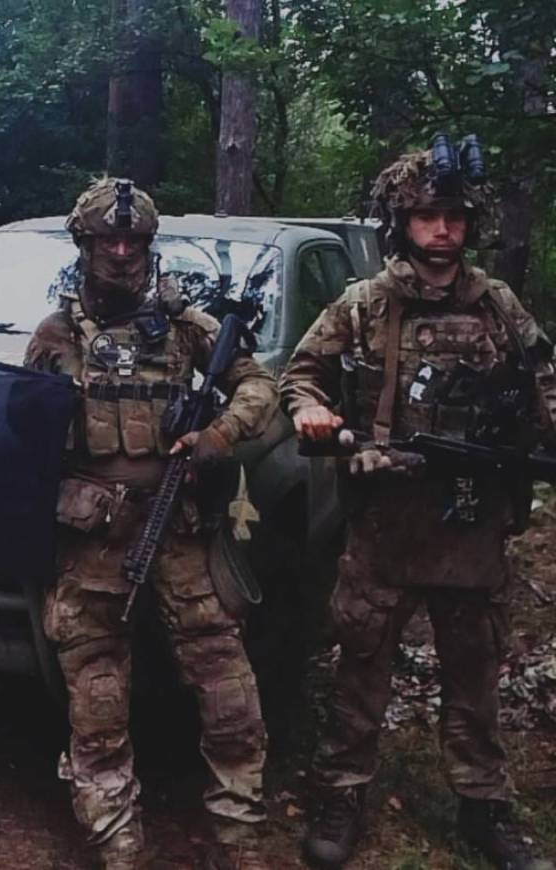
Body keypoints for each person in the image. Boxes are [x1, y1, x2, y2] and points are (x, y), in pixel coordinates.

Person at [279, 137, 556, 870]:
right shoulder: (366, 304)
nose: (443, 230)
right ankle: (342, 791)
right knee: (361, 667)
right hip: (386, 523)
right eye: (428, 216)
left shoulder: (497, 305)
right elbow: (299, 376)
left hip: (472, 526)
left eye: (455, 217)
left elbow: (544, 382)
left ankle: (484, 805)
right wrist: (317, 415)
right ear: (402, 223)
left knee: (475, 675)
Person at [25, 178, 278, 869]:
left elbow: (261, 387)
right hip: (94, 544)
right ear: (84, 244)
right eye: (107, 238)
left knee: (227, 688)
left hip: (181, 534)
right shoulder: (54, 337)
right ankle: (117, 842)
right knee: (98, 701)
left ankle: (239, 834)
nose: (120, 251)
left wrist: (217, 438)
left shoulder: (186, 328)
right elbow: (29, 441)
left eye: (133, 240)